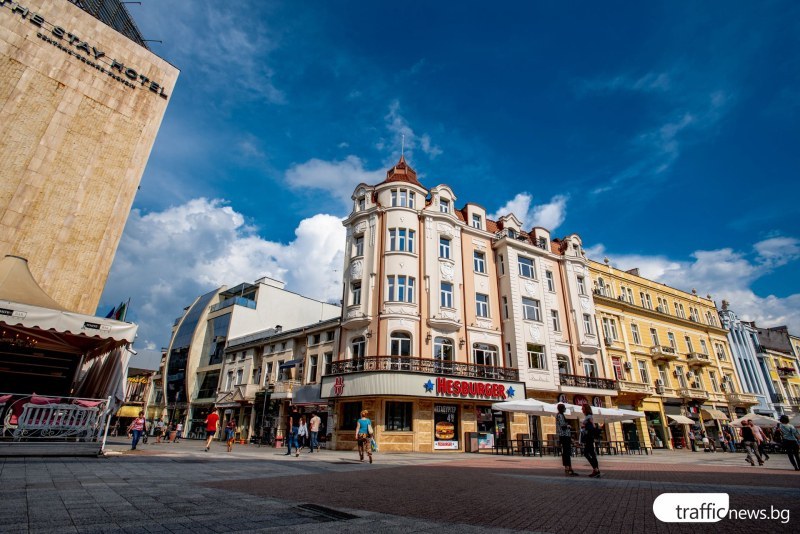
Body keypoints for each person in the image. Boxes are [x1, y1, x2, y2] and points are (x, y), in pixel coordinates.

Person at [556, 403, 577, 476]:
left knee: (567, 452)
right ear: (562, 409)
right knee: (566, 452)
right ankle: (568, 468)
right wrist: (568, 426)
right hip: (564, 436)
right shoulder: (560, 415)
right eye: (564, 408)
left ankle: (568, 467)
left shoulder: (560, 415)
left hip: (565, 436)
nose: (565, 409)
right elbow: (563, 426)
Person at [580, 404, 600, 478]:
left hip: (589, 438)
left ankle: (596, 469)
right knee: (592, 453)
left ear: (586, 409)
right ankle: (596, 470)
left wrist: (584, 426)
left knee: (586, 453)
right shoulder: (588, 417)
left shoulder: (589, 417)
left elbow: (592, 427)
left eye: (582, 408)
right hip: (590, 438)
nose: (582, 410)